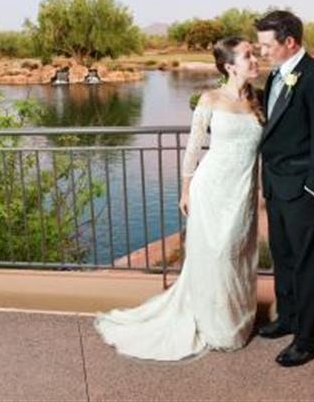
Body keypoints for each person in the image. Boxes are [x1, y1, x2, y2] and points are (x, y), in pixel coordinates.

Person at [93, 36, 265, 362]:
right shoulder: (210, 99)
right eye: (247, 55)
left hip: (242, 192)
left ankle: (236, 320)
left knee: (239, 254)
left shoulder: (259, 101)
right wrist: (186, 190)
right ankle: (214, 324)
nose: (255, 59)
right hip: (211, 190)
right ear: (229, 66)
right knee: (215, 256)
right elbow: (193, 148)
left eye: (254, 53)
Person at [255, 10, 314, 367]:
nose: (263, 52)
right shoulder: (275, 76)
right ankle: (289, 318)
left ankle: (309, 339)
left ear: (289, 42)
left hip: (304, 190)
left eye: (267, 45)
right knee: (283, 257)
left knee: (309, 265)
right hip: (276, 186)